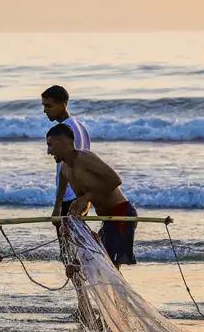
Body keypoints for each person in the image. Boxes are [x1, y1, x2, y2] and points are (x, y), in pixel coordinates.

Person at [46, 123, 138, 268]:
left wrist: (87, 197)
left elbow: (115, 180)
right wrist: (71, 219)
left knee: (110, 266)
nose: (48, 151)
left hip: (121, 213)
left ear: (65, 143)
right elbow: (80, 200)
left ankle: (115, 291)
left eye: (50, 145)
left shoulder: (85, 158)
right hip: (106, 220)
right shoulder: (64, 169)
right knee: (95, 261)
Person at [41, 85, 91, 218]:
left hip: (69, 197)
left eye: (49, 106)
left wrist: (57, 207)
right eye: (44, 106)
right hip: (81, 196)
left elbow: (64, 170)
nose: (45, 110)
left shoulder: (64, 131)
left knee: (66, 238)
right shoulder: (80, 126)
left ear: (63, 105)